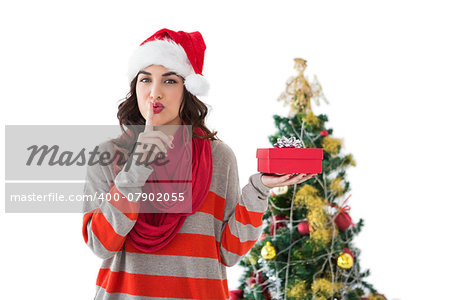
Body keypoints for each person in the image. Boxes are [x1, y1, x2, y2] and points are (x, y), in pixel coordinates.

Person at [82, 28, 317, 300]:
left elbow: (229, 252)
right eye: (145, 80)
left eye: (169, 81)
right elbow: (101, 244)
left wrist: (259, 189)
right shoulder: (107, 155)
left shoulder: (219, 158)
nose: (154, 93)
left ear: (187, 90)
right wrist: (137, 166)